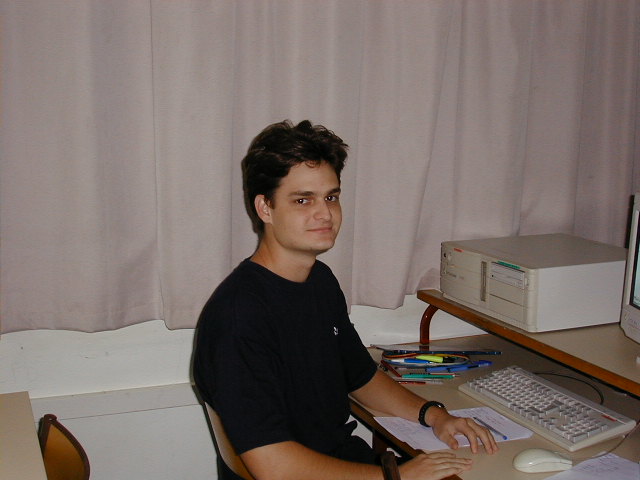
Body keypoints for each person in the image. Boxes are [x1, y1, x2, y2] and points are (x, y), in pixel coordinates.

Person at [193, 119, 498, 480]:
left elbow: (360, 376)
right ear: (265, 208)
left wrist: (435, 415)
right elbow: (274, 467)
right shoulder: (238, 317)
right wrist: (398, 477)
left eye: (331, 197)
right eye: (303, 200)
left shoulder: (319, 281)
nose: (325, 213)